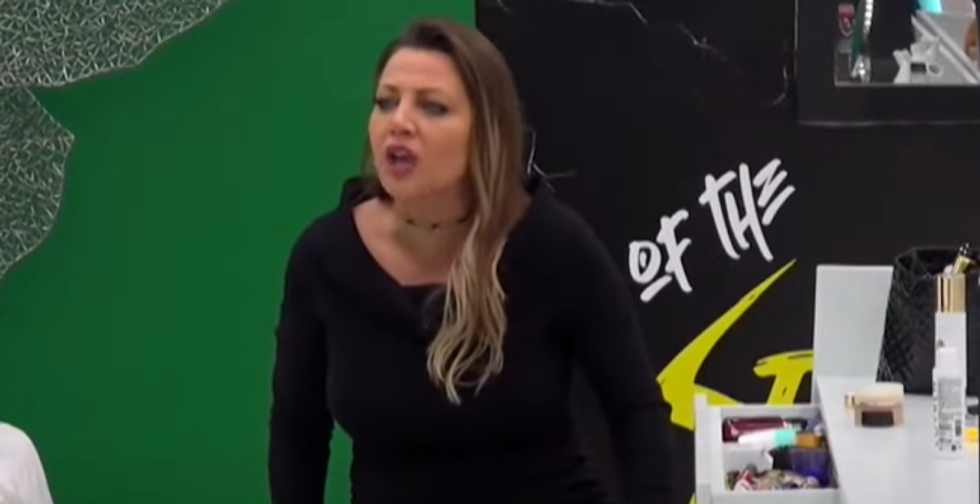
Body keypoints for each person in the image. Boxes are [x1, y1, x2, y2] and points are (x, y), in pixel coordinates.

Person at [268, 17, 675, 504]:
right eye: (386, 102)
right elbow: (298, 428)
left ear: (485, 131)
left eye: (433, 107)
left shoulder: (551, 244)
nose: (399, 122)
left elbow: (636, 411)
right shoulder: (325, 258)